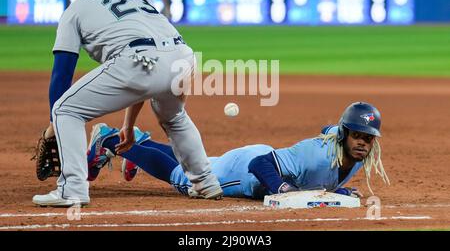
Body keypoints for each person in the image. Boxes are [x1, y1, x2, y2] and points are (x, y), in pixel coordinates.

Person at [32, 0, 223, 207]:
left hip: (139, 62)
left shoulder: (77, 7)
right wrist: (128, 125)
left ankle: (72, 189)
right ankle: (206, 182)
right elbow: (150, 68)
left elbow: (62, 71)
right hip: (182, 58)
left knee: (65, 110)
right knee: (174, 117)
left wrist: (53, 123)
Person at [87, 102, 390, 199]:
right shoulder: (317, 153)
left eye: (368, 138)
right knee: (184, 179)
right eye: (358, 136)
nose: (363, 142)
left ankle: (137, 140)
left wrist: (333, 193)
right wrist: (283, 190)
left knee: (198, 162)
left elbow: (329, 131)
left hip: (255, 159)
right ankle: (110, 141)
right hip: (250, 168)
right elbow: (261, 164)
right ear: (347, 134)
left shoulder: (354, 151)